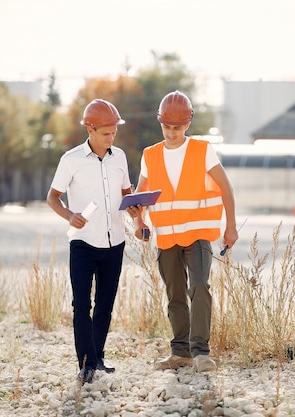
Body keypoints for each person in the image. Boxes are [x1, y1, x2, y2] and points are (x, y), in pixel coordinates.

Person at [128, 91, 238, 372]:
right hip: (166, 236)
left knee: (199, 285)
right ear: (160, 123)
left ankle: (201, 352)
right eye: (166, 127)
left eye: (177, 128)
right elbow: (141, 195)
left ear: (187, 124)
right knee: (174, 293)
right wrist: (138, 220)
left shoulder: (203, 150)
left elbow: (225, 187)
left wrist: (231, 227)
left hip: (199, 233)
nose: (171, 133)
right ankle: (180, 353)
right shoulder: (150, 155)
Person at [47, 99, 133, 384]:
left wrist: (136, 209)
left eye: (114, 132)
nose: (111, 138)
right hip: (83, 243)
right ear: (91, 128)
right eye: (106, 133)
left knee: (105, 305)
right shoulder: (70, 159)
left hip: (115, 242)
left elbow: (126, 193)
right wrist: (69, 215)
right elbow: (53, 197)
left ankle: (98, 358)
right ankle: (85, 364)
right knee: (81, 305)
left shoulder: (119, 157)